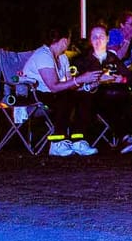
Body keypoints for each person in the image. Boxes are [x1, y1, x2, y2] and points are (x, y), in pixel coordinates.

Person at [20, 28, 103, 156]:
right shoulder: (43, 55)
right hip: (36, 94)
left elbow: (70, 84)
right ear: (64, 40)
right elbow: (53, 86)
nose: (70, 43)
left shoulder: (62, 57)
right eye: (69, 39)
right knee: (66, 96)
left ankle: (77, 140)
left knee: (85, 96)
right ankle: (57, 142)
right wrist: (80, 79)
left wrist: (88, 85)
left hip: (56, 94)